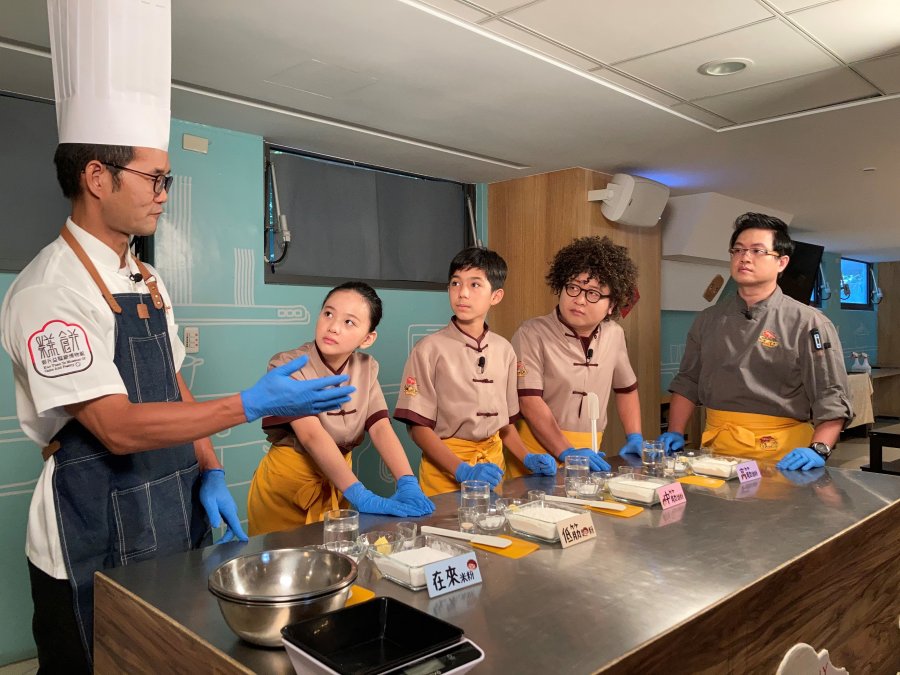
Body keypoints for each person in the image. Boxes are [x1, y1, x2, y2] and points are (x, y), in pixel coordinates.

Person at [0, 3, 354, 671]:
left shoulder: (145, 276)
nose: (165, 194)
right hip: (86, 522)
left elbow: (170, 381)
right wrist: (248, 404)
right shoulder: (50, 290)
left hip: (169, 503)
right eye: (154, 179)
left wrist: (211, 467)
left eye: (168, 179)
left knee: (165, 656)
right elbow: (115, 427)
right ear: (96, 177)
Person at [659, 213, 852, 471]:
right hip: (717, 454)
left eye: (757, 251)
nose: (745, 257)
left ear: (782, 262)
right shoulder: (707, 319)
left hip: (785, 458)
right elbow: (688, 381)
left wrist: (819, 448)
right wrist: (674, 431)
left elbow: (830, 395)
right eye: (738, 250)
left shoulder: (809, 322)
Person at [247, 282, 435, 534]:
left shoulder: (367, 367)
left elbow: (380, 427)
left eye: (349, 322)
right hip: (286, 490)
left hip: (339, 484)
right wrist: (360, 494)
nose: (333, 327)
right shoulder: (286, 365)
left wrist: (407, 481)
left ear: (367, 338)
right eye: (328, 313)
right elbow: (311, 435)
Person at [393, 247, 556, 496]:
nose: (463, 293)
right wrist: (462, 470)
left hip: (493, 470)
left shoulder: (505, 350)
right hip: (444, 474)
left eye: (475, 284)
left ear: (496, 296)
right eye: (455, 283)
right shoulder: (428, 349)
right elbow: (418, 429)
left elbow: (505, 426)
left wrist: (527, 457)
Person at [508, 236, 643, 477]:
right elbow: (529, 401)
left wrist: (635, 436)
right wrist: (567, 451)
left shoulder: (614, 334)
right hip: (537, 455)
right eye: (573, 288)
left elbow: (626, 389)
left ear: (611, 305)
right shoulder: (531, 333)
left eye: (593, 293)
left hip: (590, 451)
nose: (579, 299)